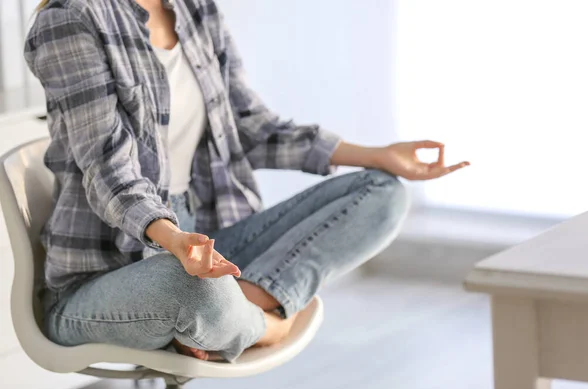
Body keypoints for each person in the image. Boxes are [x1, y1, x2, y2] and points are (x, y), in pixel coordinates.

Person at [26, 0, 469, 362]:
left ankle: (238, 309)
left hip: (204, 236)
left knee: (383, 193)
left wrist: (376, 155)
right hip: (108, 274)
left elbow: (250, 127)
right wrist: (174, 239)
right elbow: (108, 169)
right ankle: (265, 325)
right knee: (190, 288)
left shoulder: (195, 8)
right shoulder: (70, 18)